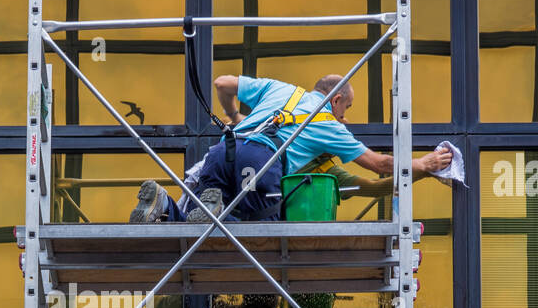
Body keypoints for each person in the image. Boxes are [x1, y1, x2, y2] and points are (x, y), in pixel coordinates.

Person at [128, 73, 452, 223]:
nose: (345, 117)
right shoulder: (327, 126)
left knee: (198, 230)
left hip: (222, 151)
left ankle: (165, 205)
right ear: (335, 100)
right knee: (263, 235)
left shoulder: (279, 88)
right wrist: (424, 165)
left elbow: (222, 83)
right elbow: (378, 166)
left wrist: (234, 115)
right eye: (346, 108)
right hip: (260, 163)